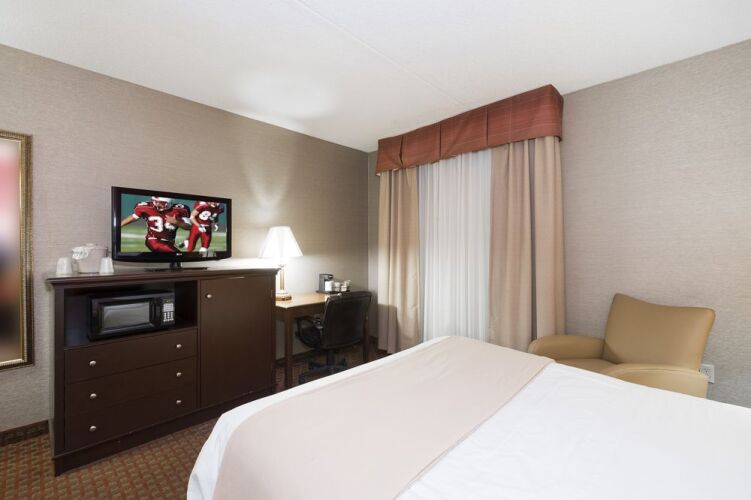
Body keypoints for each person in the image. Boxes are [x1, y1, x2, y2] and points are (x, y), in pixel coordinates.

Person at [120, 196, 190, 252]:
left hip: (169, 242)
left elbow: (189, 227)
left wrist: (177, 222)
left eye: (161, 203)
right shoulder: (146, 207)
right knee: (177, 255)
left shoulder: (180, 210)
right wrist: (119, 226)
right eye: (155, 201)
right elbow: (134, 217)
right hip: (153, 240)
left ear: (169, 203)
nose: (157, 204)